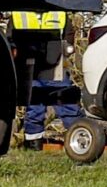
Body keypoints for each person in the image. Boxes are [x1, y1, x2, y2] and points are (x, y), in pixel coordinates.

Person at [10, 10, 83, 149]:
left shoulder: (60, 13)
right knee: (35, 106)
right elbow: (11, 40)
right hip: (31, 65)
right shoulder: (18, 14)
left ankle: (79, 138)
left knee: (65, 102)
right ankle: (33, 143)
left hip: (54, 64)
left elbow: (68, 36)